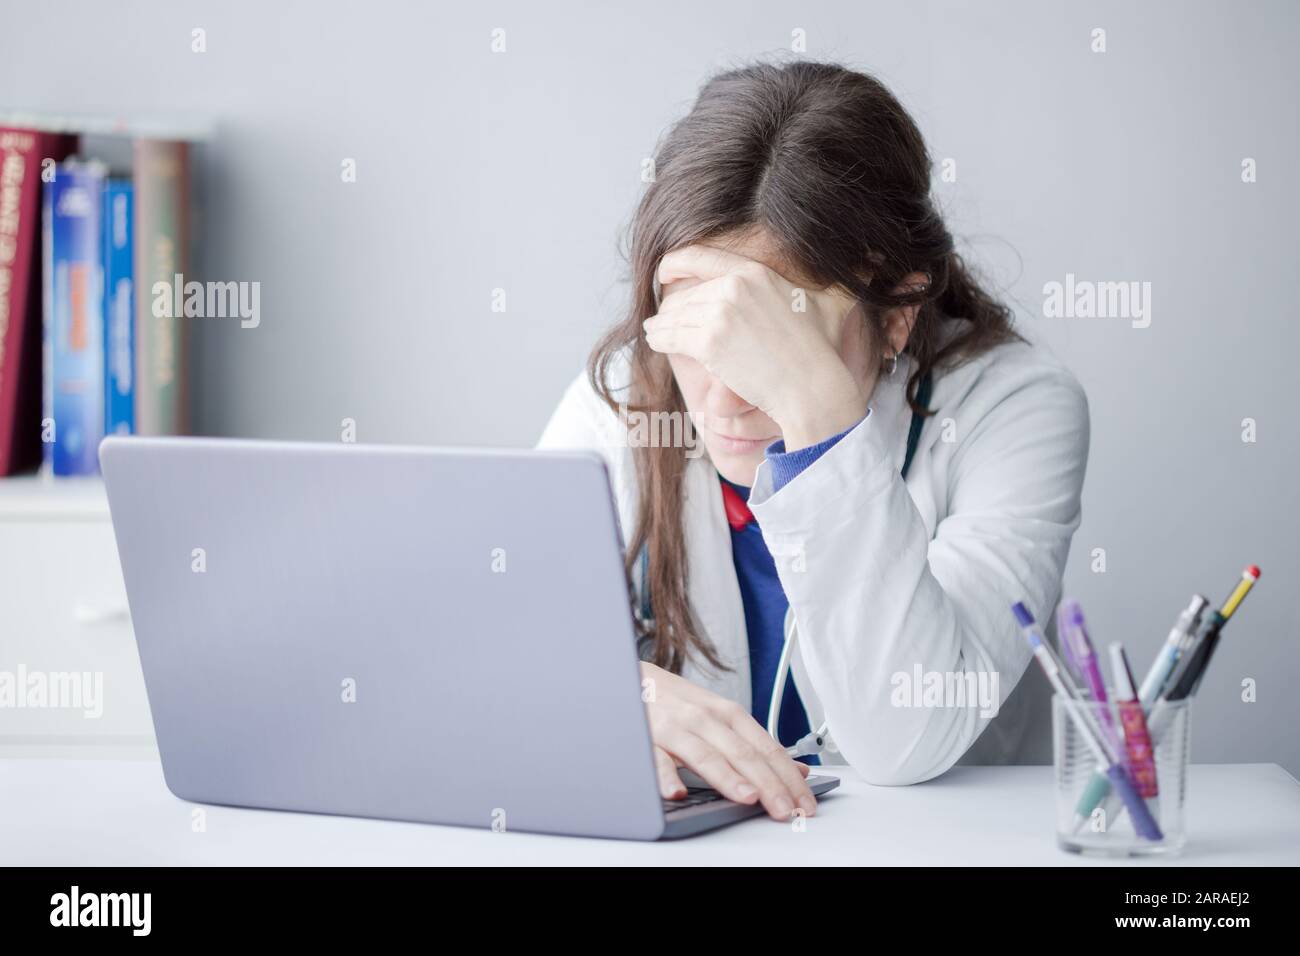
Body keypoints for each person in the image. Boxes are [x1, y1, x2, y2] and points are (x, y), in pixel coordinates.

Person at [539, 61, 1089, 822]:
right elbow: (489, 634)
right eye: (702, 330)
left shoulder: (1015, 407)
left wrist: (823, 414)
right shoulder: (629, 394)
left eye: (773, 339)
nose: (727, 397)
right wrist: (613, 692)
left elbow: (904, 739)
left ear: (896, 314)